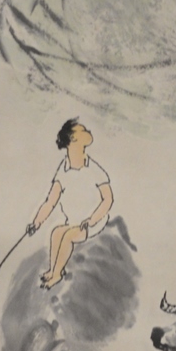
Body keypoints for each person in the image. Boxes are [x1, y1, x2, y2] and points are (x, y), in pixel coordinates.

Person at [29, 118, 113, 289]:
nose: (88, 132)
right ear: (73, 139)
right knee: (56, 232)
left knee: (68, 236)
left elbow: (108, 199)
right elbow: (50, 201)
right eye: (83, 131)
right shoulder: (63, 169)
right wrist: (36, 222)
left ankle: (57, 275)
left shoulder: (93, 169)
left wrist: (91, 220)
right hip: (73, 220)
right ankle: (53, 270)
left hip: (92, 222)